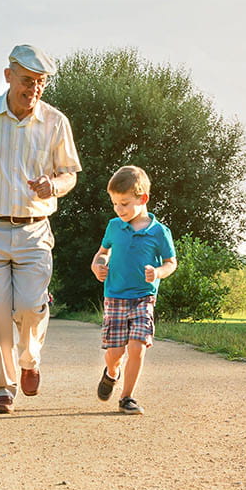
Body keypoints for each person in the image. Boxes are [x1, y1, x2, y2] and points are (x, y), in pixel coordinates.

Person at [0, 44, 81, 414]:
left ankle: (30, 359)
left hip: (34, 230)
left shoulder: (56, 122)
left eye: (40, 83)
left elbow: (69, 173)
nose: (33, 90)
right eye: (27, 81)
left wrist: (54, 185)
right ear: (8, 76)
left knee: (30, 307)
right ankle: (2, 389)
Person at [90, 166, 178, 415]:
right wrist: (98, 266)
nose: (119, 210)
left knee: (137, 347)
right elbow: (102, 253)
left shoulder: (159, 232)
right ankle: (111, 372)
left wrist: (158, 272)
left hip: (143, 296)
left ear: (143, 199)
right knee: (115, 353)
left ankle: (127, 396)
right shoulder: (114, 226)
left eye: (125, 204)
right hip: (115, 296)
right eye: (115, 204)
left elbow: (171, 262)